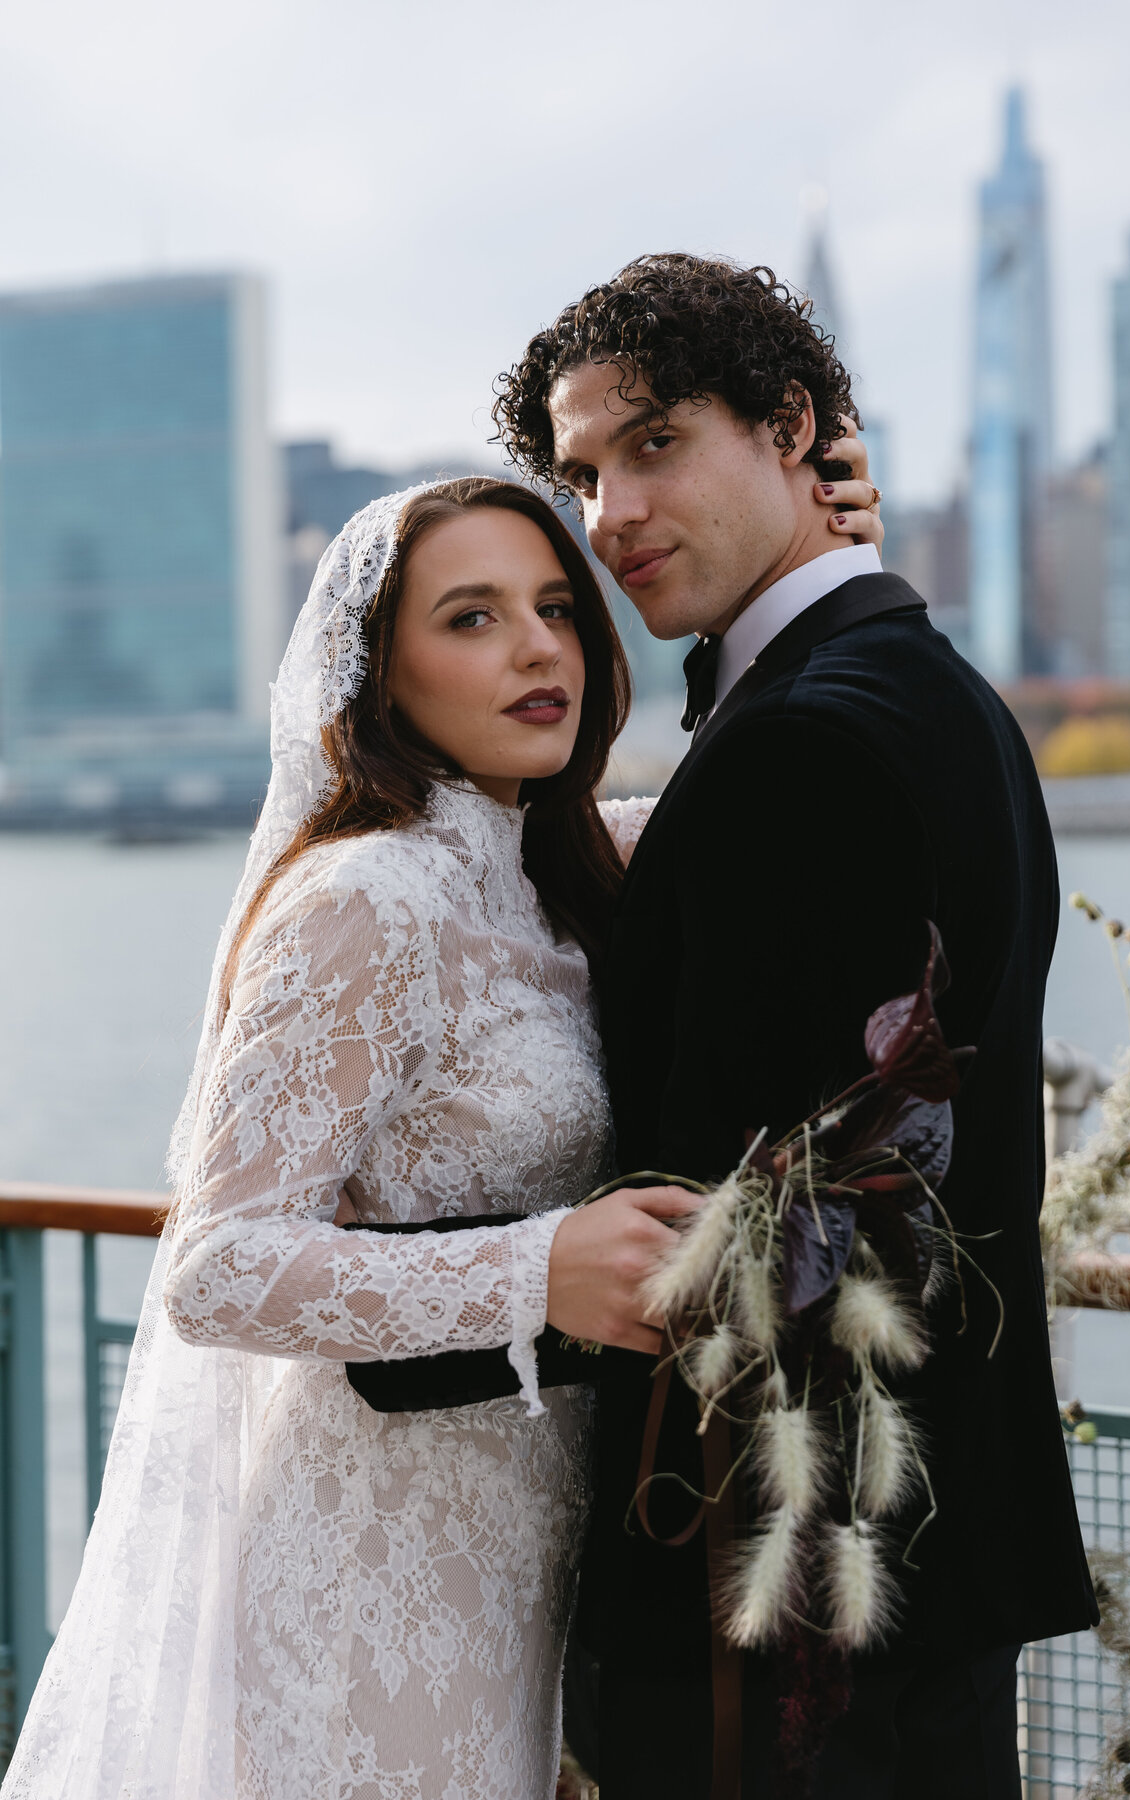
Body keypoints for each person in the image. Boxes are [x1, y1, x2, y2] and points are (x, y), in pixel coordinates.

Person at [1, 476, 715, 1800]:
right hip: (371, 1564)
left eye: (557, 607)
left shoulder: (564, 872)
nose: (538, 646)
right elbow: (216, 1266)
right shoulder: (364, 897)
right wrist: (535, 1268)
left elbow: (759, 783)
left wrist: (829, 551)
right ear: (376, 676)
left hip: (526, 1555)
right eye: (472, 616)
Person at [493, 252, 1098, 1799]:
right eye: (581, 472)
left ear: (793, 432)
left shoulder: (801, 749)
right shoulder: (929, 691)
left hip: (782, 1609)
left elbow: (732, 1222)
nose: (609, 513)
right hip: (925, 1567)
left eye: (655, 444)